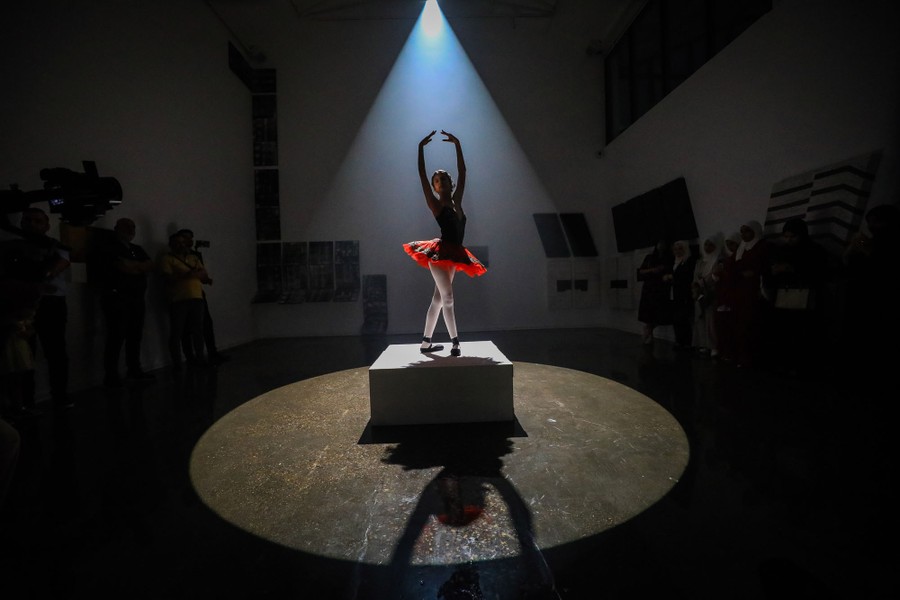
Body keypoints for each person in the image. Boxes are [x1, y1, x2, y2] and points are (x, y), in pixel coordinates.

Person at [403, 130, 486, 357]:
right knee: (447, 297)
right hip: (439, 254)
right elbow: (421, 174)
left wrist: (457, 144)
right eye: (437, 180)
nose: (441, 182)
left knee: (438, 298)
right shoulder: (436, 205)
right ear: (435, 187)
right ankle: (455, 342)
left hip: (455, 253)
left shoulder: (457, 200)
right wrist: (420, 148)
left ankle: (426, 343)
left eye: (444, 178)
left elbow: (463, 171)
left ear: (451, 182)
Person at [0, 208, 71, 410]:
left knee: (55, 350)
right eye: (28, 220)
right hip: (21, 305)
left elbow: (51, 269)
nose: (32, 224)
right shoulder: (12, 247)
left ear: (47, 226)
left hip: (50, 303)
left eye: (37, 221)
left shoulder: (56, 247)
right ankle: (26, 402)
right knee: (23, 355)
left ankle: (59, 396)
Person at [96, 218, 156, 387]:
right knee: (116, 337)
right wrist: (138, 266)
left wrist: (134, 266)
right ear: (116, 228)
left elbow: (150, 265)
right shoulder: (109, 247)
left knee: (135, 336)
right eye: (126, 227)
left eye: (132, 227)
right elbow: (125, 267)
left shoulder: (137, 249)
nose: (130, 229)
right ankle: (112, 375)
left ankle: (134, 370)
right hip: (117, 299)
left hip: (137, 298)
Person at [174, 229, 228, 365]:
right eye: (185, 238)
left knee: (206, 324)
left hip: (197, 293)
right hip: (182, 296)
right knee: (186, 328)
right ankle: (191, 357)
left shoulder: (195, 255)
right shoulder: (174, 257)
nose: (189, 241)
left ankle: (209, 352)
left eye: (190, 238)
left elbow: (202, 274)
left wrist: (201, 276)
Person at [159, 231, 212, 370]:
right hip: (178, 299)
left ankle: (200, 358)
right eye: (178, 243)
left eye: (183, 242)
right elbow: (168, 278)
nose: (181, 245)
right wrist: (189, 274)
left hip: (196, 297)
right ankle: (177, 362)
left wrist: (189, 274)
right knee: (177, 332)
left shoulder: (193, 257)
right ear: (171, 245)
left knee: (198, 330)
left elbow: (203, 274)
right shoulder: (167, 259)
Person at [723, 220, 769, 368]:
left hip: (754, 293)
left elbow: (762, 267)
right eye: (742, 231)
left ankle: (752, 358)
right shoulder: (741, 249)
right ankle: (741, 356)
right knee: (739, 325)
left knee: (751, 325)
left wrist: (752, 274)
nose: (743, 234)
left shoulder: (763, 247)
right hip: (740, 293)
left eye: (747, 231)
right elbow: (733, 269)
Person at [692, 234, 724, 357]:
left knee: (711, 322)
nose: (707, 247)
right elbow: (695, 276)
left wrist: (700, 283)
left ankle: (713, 346)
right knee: (701, 320)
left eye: (711, 244)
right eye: (706, 244)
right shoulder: (701, 261)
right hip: (700, 294)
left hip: (711, 294)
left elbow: (713, 276)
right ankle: (704, 344)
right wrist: (696, 288)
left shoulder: (718, 259)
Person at [636, 240, 673, 346]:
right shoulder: (649, 257)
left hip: (661, 289)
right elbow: (641, 271)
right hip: (649, 288)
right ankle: (649, 334)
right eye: (659, 243)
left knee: (658, 314)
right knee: (649, 314)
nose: (661, 246)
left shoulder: (668, 258)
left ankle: (648, 332)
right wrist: (653, 270)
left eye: (663, 244)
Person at [666, 240, 697, 351]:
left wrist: (672, 278)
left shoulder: (688, 261)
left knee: (683, 319)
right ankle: (678, 340)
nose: (677, 251)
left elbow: (687, 277)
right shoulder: (674, 262)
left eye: (680, 248)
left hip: (684, 294)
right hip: (674, 294)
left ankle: (686, 342)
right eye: (675, 249)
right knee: (675, 319)